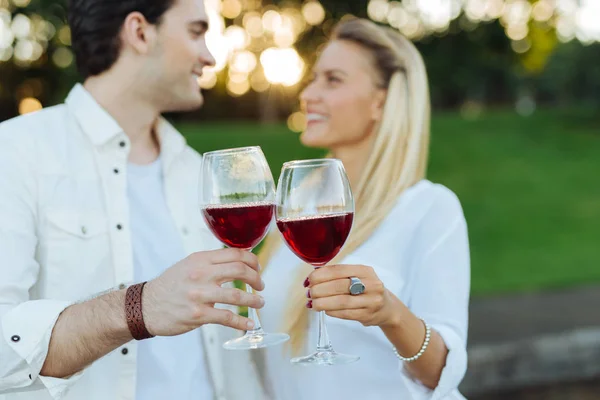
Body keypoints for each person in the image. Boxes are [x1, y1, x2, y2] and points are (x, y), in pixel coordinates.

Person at [0, 0, 266, 399]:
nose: (209, 56)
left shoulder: (197, 173)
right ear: (140, 32)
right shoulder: (16, 153)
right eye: (196, 32)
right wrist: (138, 308)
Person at [257, 18, 470, 400]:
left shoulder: (428, 208)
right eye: (313, 78)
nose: (309, 94)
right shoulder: (294, 211)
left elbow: (442, 374)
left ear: (381, 101)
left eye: (333, 80)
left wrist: (392, 314)